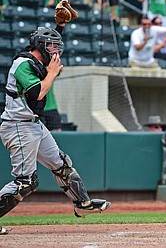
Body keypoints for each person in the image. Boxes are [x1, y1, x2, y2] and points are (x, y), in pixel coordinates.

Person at [0, 25, 110, 234]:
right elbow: (38, 93)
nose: (55, 50)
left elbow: (42, 63)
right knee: (26, 182)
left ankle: (82, 204)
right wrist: (52, 72)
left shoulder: (35, 61)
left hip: (33, 125)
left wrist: (60, 26)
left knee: (61, 164)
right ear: (41, 45)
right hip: (18, 127)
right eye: (51, 46)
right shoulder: (22, 64)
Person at [145, 115, 166, 184]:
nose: (160, 130)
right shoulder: (143, 141)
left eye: (160, 127)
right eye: (156, 127)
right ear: (149, 128)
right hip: (147, 172)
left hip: (163, 173)